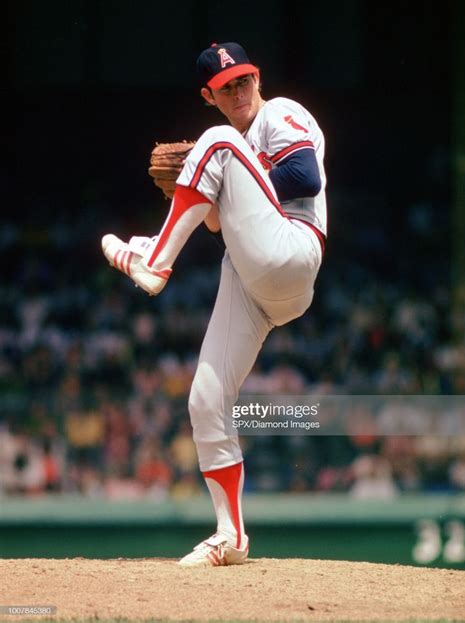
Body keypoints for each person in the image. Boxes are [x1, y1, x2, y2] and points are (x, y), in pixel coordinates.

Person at [102, 42, 327, 567]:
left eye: (244, 79)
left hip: (294, 249)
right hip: (253, 276)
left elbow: (305, 177)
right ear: (210, 93)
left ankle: (152, 259)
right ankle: (231, 535)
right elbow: (220, 225)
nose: (240, 91)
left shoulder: (279, 113)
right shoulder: (232, 151)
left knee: (219, 141)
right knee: (205, 396)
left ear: (258, 77)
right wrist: (209, 191)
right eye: (227, 87)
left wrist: (221, 172)